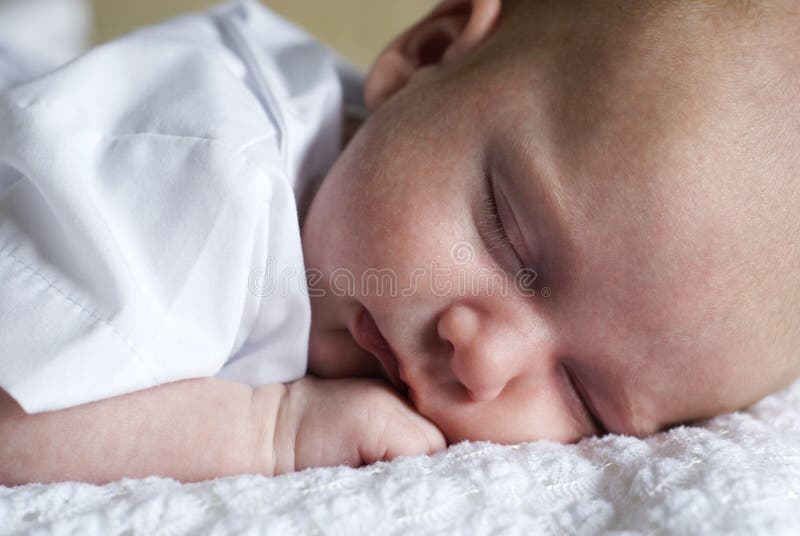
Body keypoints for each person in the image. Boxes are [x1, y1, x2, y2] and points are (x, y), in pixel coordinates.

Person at [1, 0, 799, 484]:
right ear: (426, 55)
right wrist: (271, 430)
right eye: (506, 235)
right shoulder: (198, 185)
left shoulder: (396, 171)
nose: (483, 362)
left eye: (585, 398)